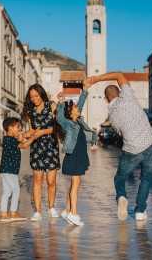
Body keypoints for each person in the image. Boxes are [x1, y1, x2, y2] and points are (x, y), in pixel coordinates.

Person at [88, 72, 152, 221]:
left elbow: (120, 133)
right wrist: (97, 79)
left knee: (120, 178)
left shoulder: (112, 117)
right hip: (151, 143)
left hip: (131, 149)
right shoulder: (127, 96)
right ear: (120, 92)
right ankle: (139, 211)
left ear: (105, 99)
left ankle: (121, 197)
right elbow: (119, 74)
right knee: (146, 178)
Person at [55, 81, 97, 226]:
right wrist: (60, 102)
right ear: (70, 111)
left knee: (75, 184)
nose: (78, 108)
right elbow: (59, 118)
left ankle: (67, 210)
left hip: (80, 155)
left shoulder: (78, 121)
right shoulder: (68, 123)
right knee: (76, 184)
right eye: (74, 107)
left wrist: (84, 90)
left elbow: (81, 102)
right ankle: (73, 213)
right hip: (73, 156)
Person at [21, 84, 61, 222]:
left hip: (51, 147)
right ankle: (37, 211)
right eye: (31, 97)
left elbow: (58, 127)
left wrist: (42, 131)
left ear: (41, 94)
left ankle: (51, 207)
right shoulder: (29, 111)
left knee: (51, 181)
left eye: (36, 96)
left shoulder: (52, 106)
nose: (34, 99)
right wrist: (20, 136)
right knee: (37, 180)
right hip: (36, 149)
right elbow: (32, 131)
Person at [0, 117, 35, 222]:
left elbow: (21, 141)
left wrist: (21, 136)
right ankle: (13, 212)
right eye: (18, 126)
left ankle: (4, 213)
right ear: (10, 127)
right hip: (10, 170)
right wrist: (32, 139)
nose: (19, 129)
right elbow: (23, 146)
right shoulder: (10, 139)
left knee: (7, 192)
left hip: (5, 170)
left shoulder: (8, 139)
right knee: (16, 190)